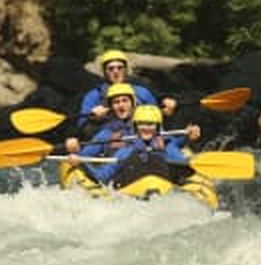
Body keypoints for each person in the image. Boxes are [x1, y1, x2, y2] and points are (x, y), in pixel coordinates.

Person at [68, 105, 200, 187]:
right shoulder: (125, 152)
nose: (146, 128)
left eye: (150, 124)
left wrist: (192, 163)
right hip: (133, 195)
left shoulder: (167, 148)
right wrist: (81, 163)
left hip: (162, 193)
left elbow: (184, 167)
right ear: (135, 127)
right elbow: (102, 176)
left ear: (158, 127)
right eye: (141, 124)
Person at [78, 49, 176, 135]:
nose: (116, 72)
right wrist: (93, 119)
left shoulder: (142, 92)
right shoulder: (93, 96)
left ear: (126, 70)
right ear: (104, 72)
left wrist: (166, 112)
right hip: (110, 141)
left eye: (120, 68)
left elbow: (157, 119)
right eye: (111, 69)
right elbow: (82, 128)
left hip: (141, 136)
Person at [65, 82, 136, 157]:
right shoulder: (107, 132)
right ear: (111, 107)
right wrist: (76, 151)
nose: (121, 105)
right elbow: (84, 156)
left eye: (125, 100)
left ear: (133, 103)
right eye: (116, 102)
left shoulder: (143, 124)